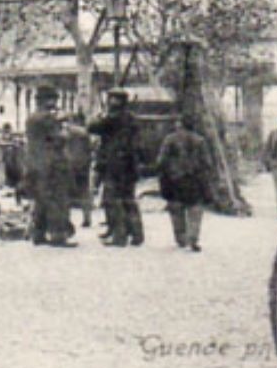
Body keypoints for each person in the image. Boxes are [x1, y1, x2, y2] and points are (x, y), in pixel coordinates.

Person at [89, 90, 145, 247]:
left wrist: (101, 115)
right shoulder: (132, 118)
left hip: (114, 165)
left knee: (112, 200)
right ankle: (136, 234)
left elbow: (92, 127)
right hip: (130, 165)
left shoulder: (112, 118)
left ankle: (119, 236)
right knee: (129, 199)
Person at [158, 114, 211, 252]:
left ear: (179, 124)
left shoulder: (169, 139)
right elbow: (207, 162)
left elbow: (161, 161)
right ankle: (193, 237)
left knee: (176, 209)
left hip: (174, 179)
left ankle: (181, 238)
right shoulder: (200, 140)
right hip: (194, 178)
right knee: (195, 209)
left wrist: (165, 174)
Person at [25, 109, 75, 247]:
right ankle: (58, 236)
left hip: (36, 164)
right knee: (57, 200)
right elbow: (57, 139)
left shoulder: (32, 118)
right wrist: (65, 133)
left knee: (41, 199)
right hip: (52, 165)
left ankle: (38, 234)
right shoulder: (47, 119)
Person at [63, 111, 95, 230]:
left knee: (66, 193)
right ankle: (87, 218)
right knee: (84, 192)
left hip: (69, 164)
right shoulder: (85, 133)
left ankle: (66, 219)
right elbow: (90, 149)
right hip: (83, 164)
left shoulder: (68, 131)